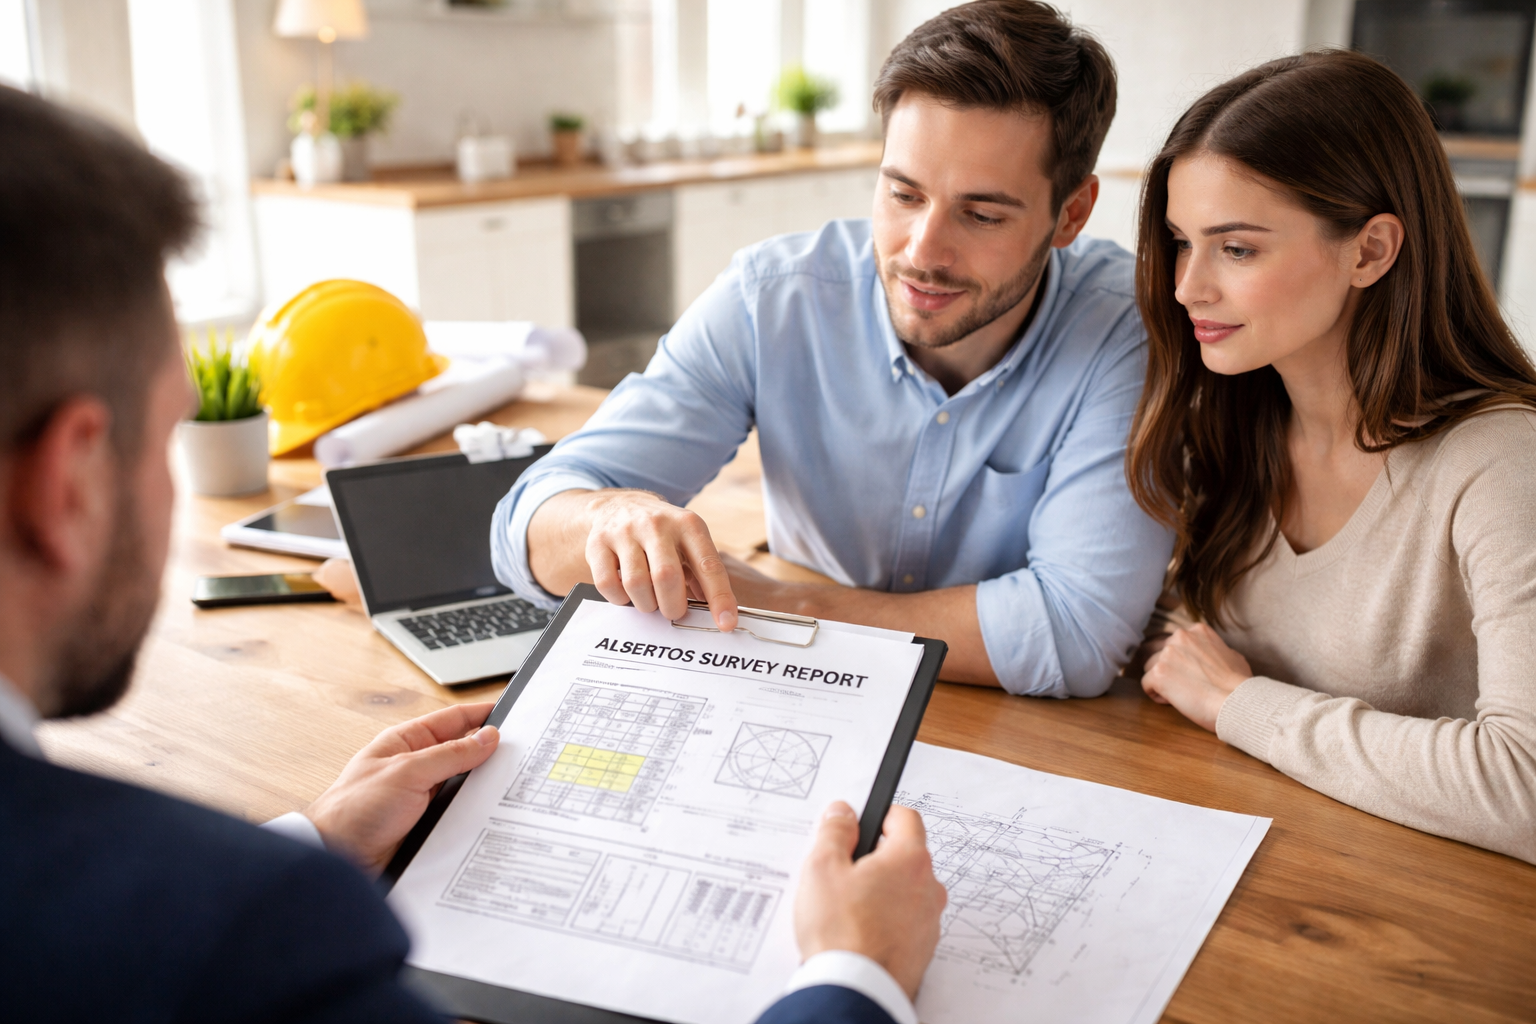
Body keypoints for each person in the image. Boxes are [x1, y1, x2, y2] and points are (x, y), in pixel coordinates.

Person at [0, 85, 947, 1022]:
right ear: (69, 483)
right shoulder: (257, 936)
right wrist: (854, 978)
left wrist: (318, 840)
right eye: (172, 433)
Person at [495, 0, 1174, 698]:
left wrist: (789, 605)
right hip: (791, 684)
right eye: (903, 193)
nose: (922, 252)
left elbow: (1076, 635)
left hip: (999, 719)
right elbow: (527, 525)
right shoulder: (771, 297)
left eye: (980, 214)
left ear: (1071, 214)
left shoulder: (1126, 329)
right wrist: (606, 516)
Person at [1127, 49, 1536, 865]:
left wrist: (1242, 705)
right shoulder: (1231, 421)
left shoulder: (1502, 463)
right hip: (1268, 871)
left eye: (1236, 249)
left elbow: (1523, 789)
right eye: (1181, 242)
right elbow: (1177, 655)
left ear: (1371, 252)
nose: (1187, 288)